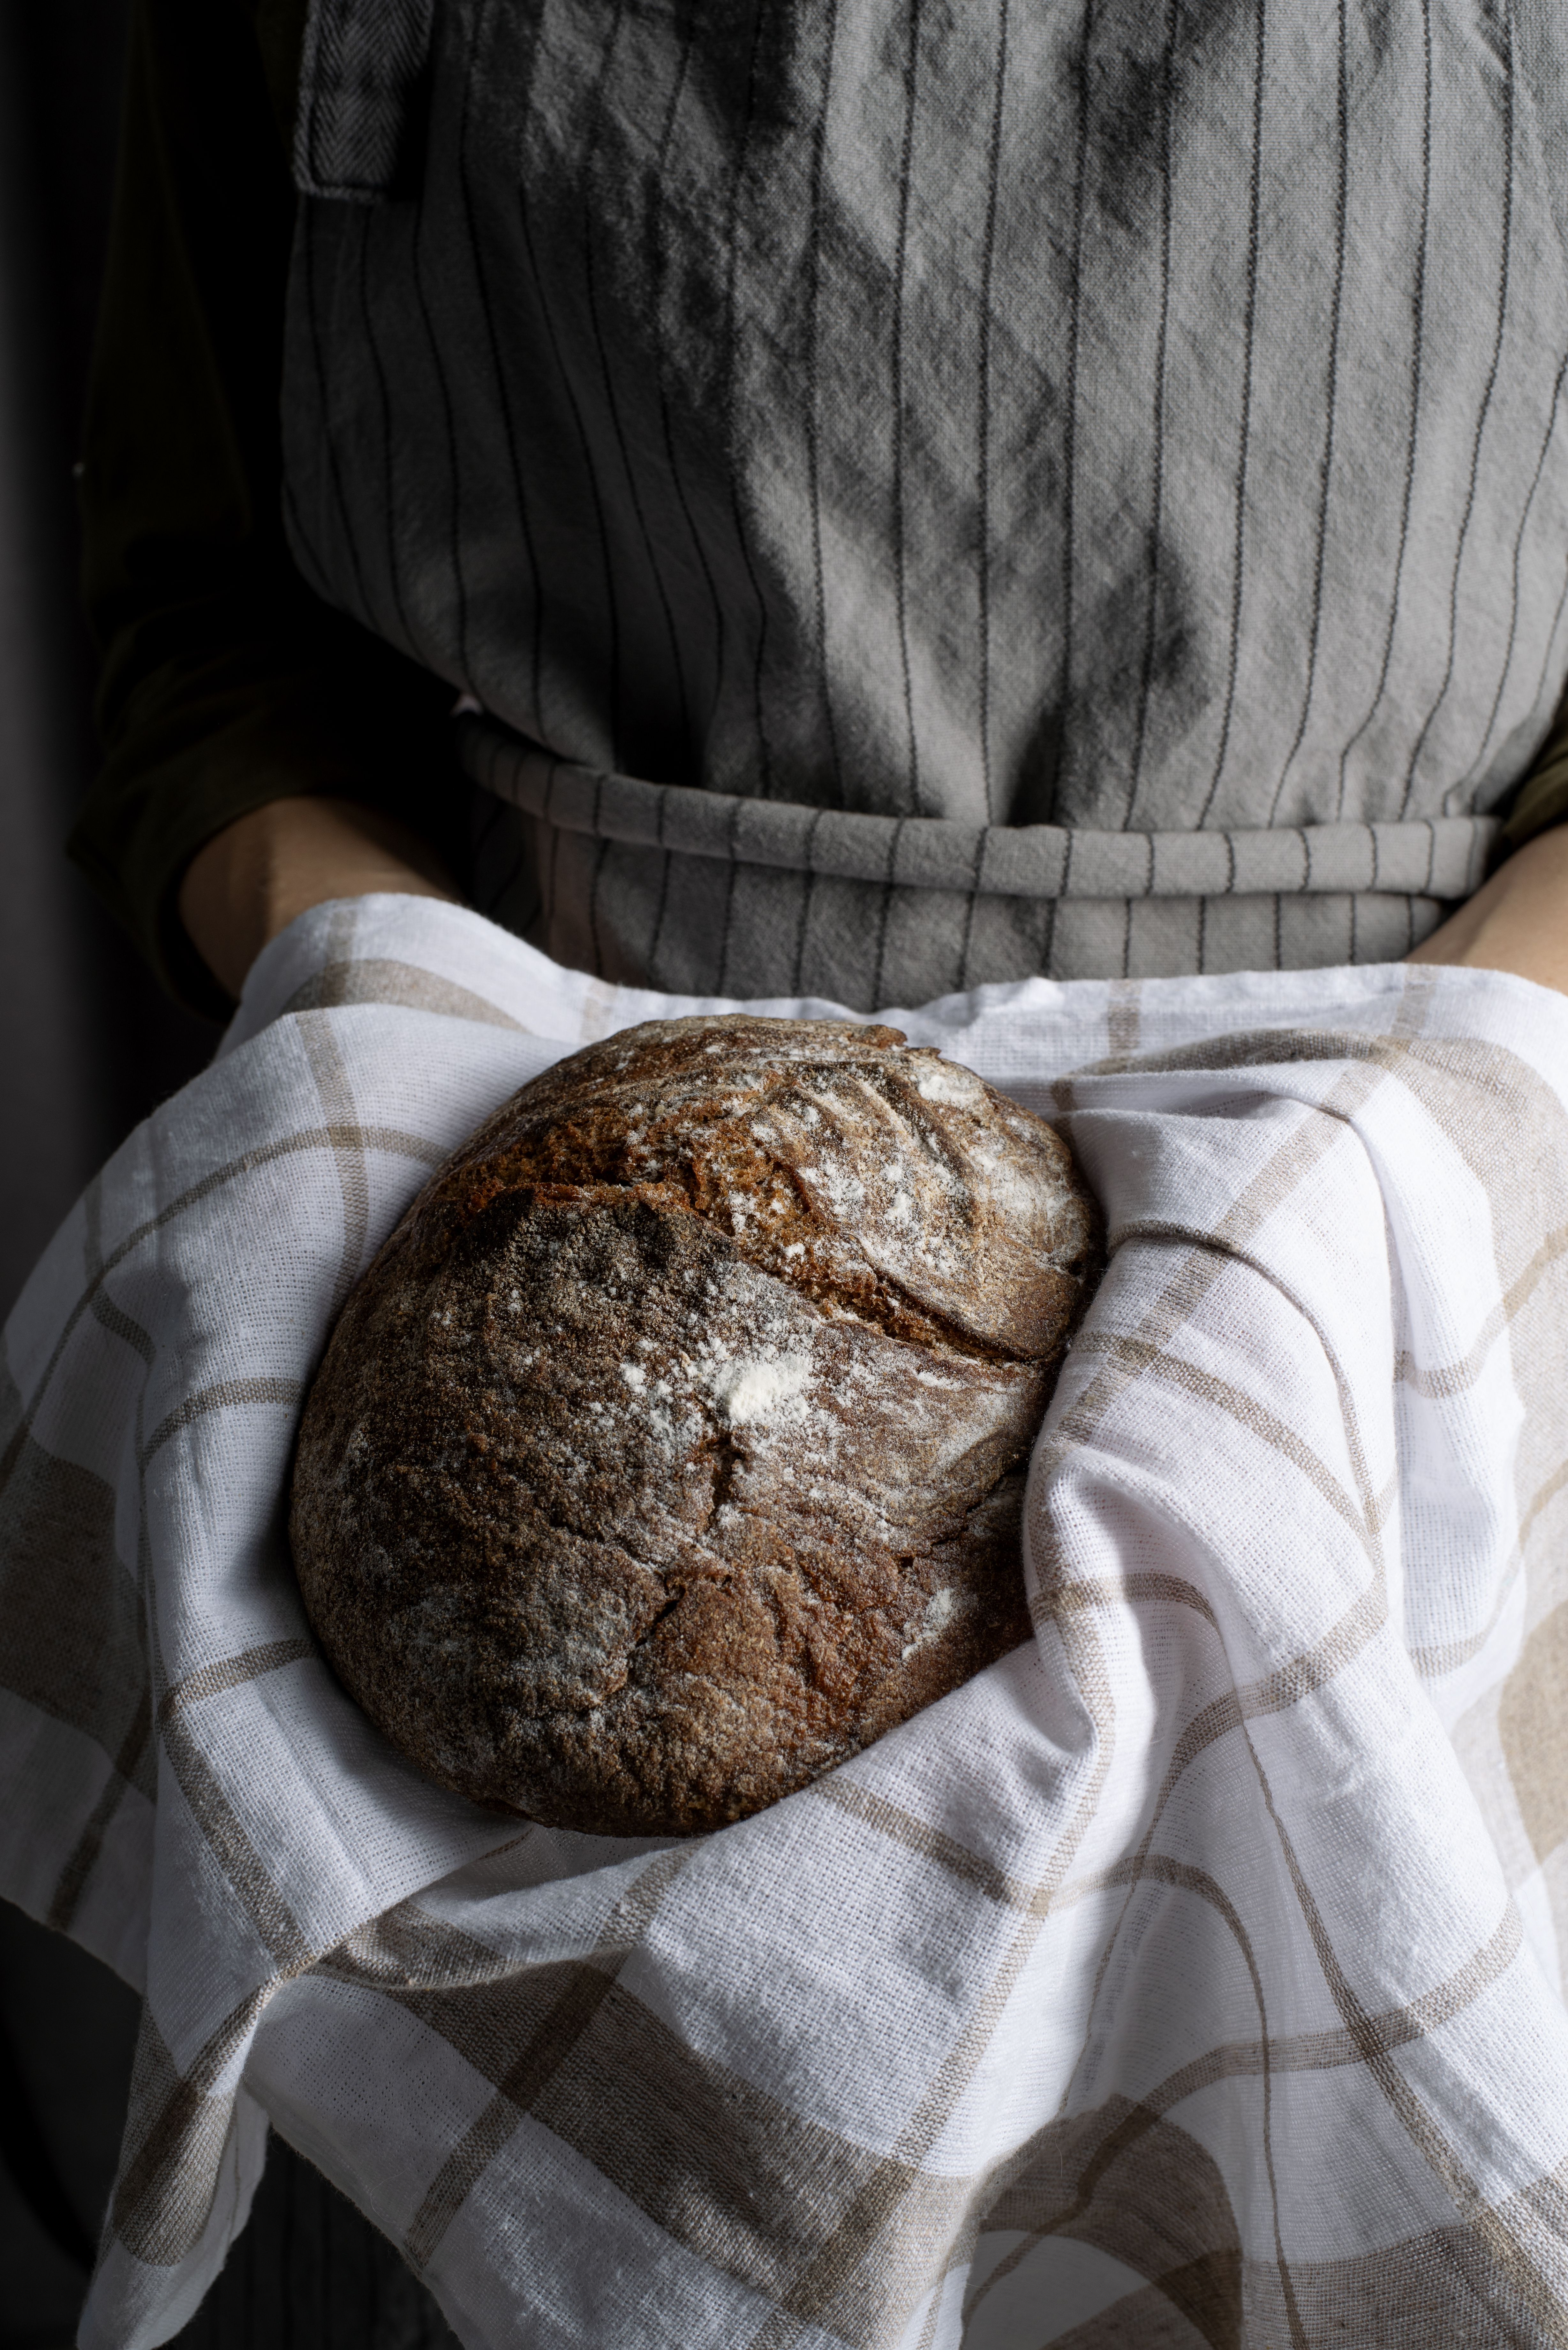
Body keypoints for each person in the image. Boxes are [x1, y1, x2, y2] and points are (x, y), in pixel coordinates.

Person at [72, 0, 1568, 1028]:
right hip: (541, 1090)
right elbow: (220, 637)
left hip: (1430, 1137)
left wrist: (1447, 1092)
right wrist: (396, 1024)